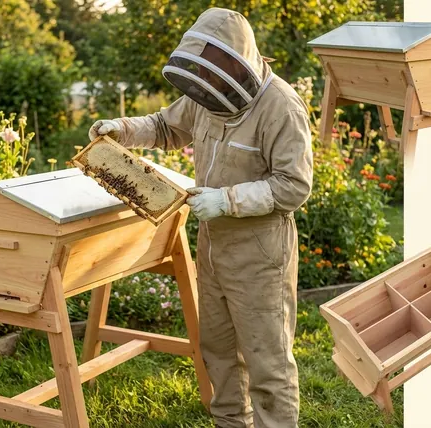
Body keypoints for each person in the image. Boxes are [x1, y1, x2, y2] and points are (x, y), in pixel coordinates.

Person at [88, 7, 313, 428]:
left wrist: (227, 200)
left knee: (268, 360)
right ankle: (230, 422)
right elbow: (164, 125)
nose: (208, 82)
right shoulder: (209, 92)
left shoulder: (282, 107)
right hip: (213, 248)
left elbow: (294, 185)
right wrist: (121, 128)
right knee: (219, 349)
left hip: (261, 253)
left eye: (217, 68)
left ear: (237, 59)